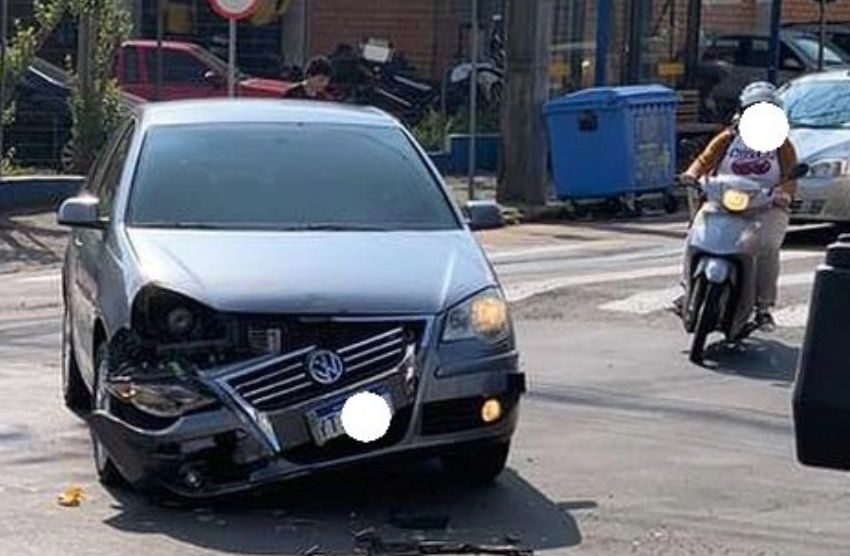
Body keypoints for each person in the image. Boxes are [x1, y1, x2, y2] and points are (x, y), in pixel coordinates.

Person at [679, 81, 799, 331]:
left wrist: (783, 195)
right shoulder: (727, 138)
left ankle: (763, 307)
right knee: (695, 235)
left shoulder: (782, 146)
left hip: (765, 207)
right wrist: (691, 176)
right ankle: (686, 289)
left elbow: (790, 177)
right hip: (723, 202)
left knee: (767, 247)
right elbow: (704, 161)